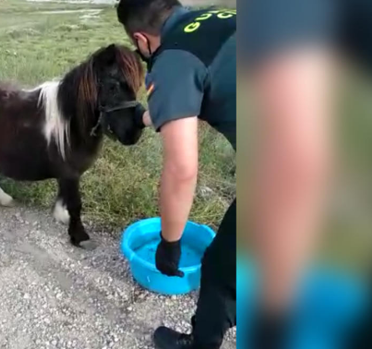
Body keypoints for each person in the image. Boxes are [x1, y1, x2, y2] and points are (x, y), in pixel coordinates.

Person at [116, 1, 236, 348]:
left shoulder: (171, 57)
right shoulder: (217, 17)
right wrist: (140, 118)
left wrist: (170, 242)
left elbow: (182, 170)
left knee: (222, 267)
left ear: (141, 40)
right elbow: (199, 90)